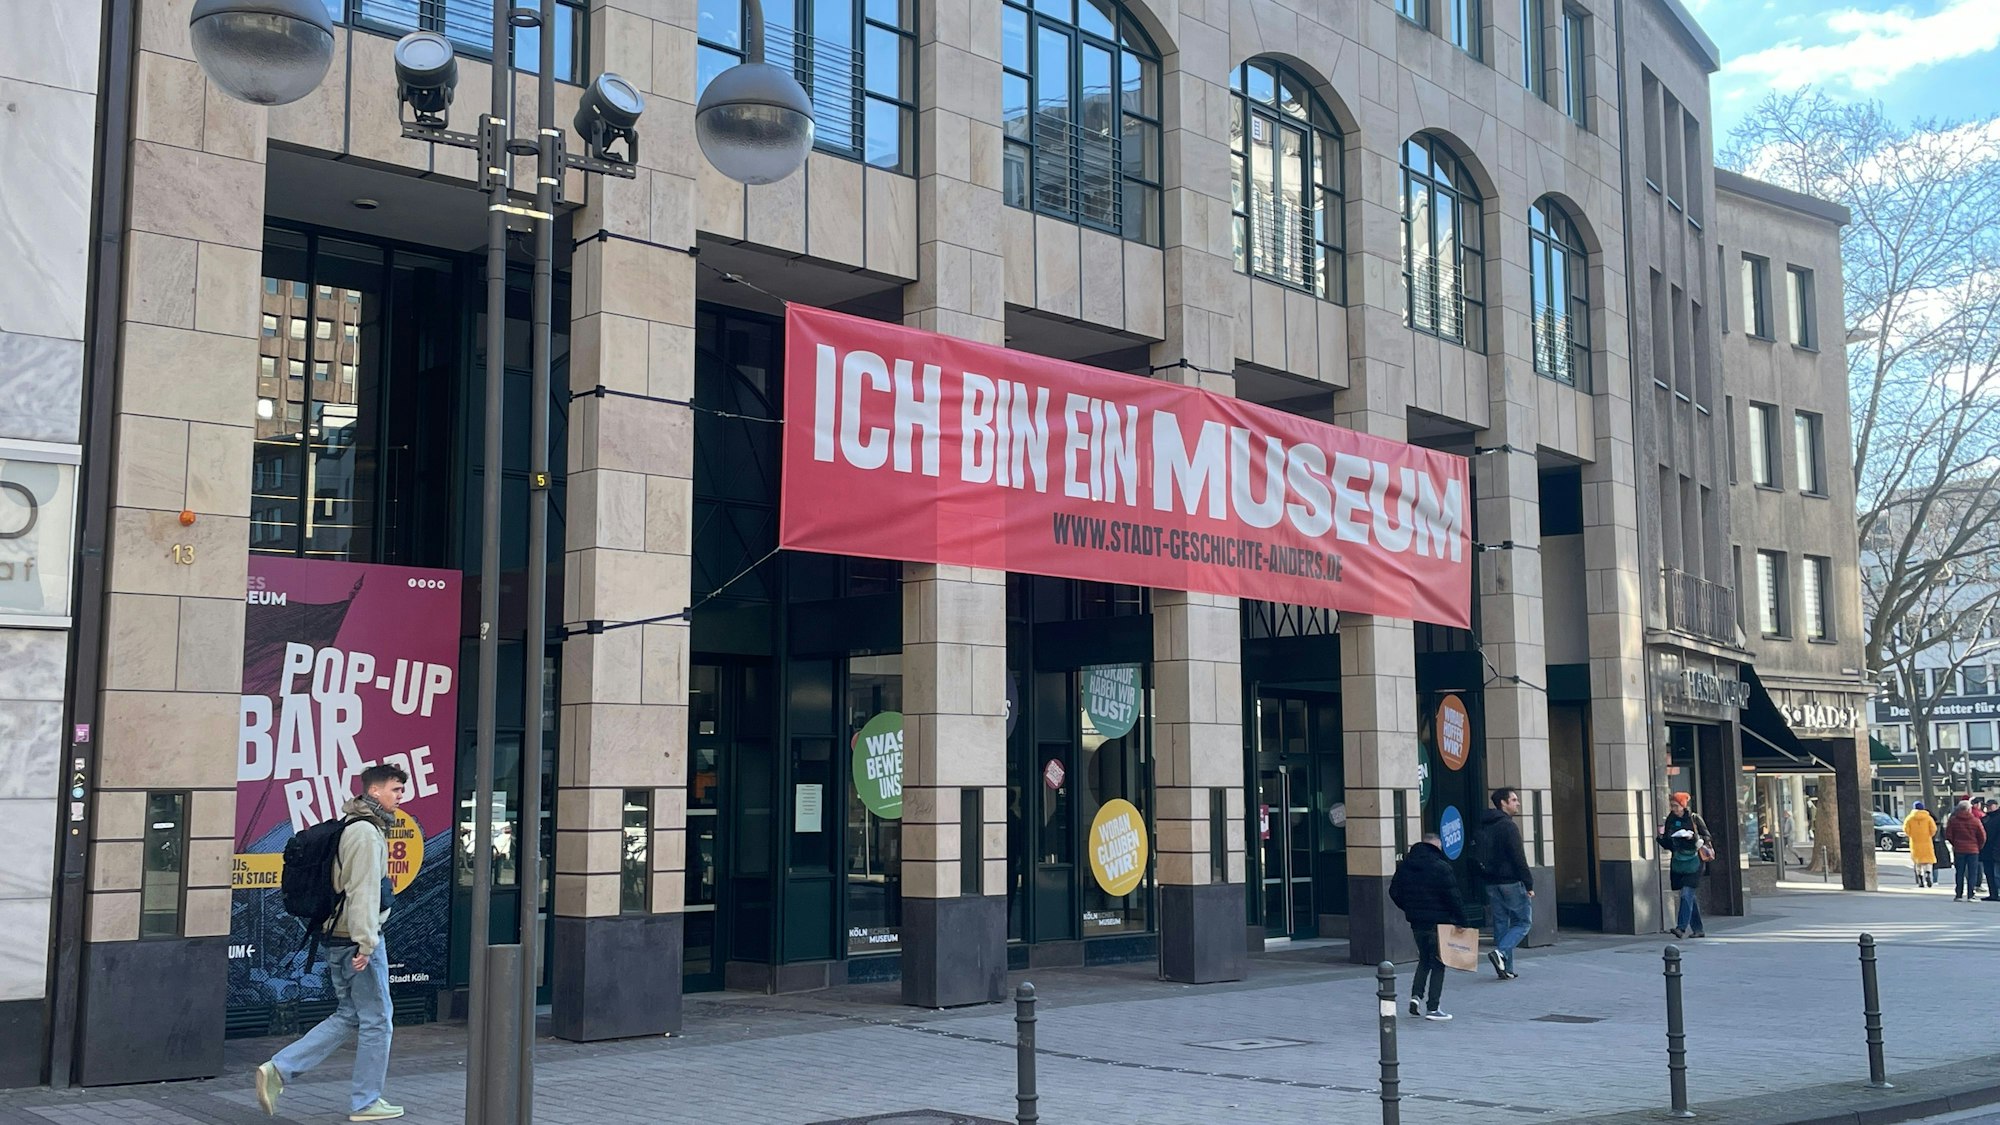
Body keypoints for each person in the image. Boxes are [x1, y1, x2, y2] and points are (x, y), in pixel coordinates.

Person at [256, 763, 409, 1121]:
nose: (401, 797)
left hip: (336, 938)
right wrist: (366, 944)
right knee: (378, 1020)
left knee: (350, 1014)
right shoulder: (367, 833)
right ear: (374, 792)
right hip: (356, 943)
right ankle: (366, 1102)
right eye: (395, 790)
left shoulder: (349, 827)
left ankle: (279, 1069)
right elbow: (364, 892)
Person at [1389, 831, 1472, 1022]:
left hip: (1417, 922)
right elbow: (1454, 897)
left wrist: (1410, 908)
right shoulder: (1441, 866)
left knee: (1424, 959)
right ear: (1436, 846)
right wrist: (1462, 921)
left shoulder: (1405, 866)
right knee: (1439, 963)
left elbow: (1394, 892)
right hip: (1439, 922)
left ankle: (1415, 996)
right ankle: (1433, 1008)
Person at [1476, 787, 1533, 980]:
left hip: (1491, 882)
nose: (1518, 803)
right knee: (1523, 922)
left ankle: (1505, 968)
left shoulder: (1484, 825)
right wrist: (1529, 883)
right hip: (1510, 881)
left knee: (1501, 923)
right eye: (1514, 800)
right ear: (1503, 803)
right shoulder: (1508, 826)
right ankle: (1501, 953)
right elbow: (1518, 856)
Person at [1657, 792, 1711, 939]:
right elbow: (1668, 843)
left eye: (1676, 806)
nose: (1674, 809)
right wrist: (1661, 838)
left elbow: (1707, 836)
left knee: (1686, 894)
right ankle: (1698, 929)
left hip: (1694, 862)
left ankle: (1681, 928)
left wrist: (1694, 837)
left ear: (1683, 805)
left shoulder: (1694, 818)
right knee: (1689, 897)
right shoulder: (1671, 819)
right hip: (1680, 862)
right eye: (1672, 806)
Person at [1944, 799, 1987, 902]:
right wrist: (1978, 846)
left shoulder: (1953, 821)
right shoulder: (1975, 821)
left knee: (1960, 872)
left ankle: (1958, 894)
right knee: (1972, 873)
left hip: (1959, 849)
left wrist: (1955, 844)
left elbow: (1949, 835)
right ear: (1969, 809)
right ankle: (1970, 894)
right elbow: (1982, 836)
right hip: (1973, 850)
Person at [1905, 803, 1938, 888]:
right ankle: (1928, 873)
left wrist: (1912, 835)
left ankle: (1920, 879)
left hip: (1915, 843)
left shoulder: (1909, 818)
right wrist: (1929, 835)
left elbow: (1906, 830)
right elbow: (1933, 829)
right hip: (1927, 842)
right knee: (1928, 861)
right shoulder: (1928, 818)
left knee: (1917, 862)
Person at [1981, 799, 2000, 903]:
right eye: (1987, 806)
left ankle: (1997, 893)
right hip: (1987, 850)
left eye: (1990, 806)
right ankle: (1993, 893)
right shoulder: (1985, 818)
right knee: (1989, 873)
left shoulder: (1996, 818)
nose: (1988, 808)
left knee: (1997, 874)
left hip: (1996, 850)